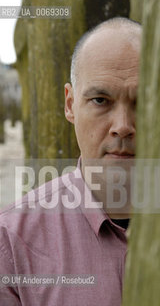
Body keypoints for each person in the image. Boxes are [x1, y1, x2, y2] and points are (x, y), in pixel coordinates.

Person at [0, 17, 141, 305]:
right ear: (69, 104)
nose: (123, 125)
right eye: (101, 100)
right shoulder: (12, 242)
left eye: (143, 102)